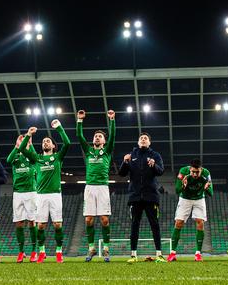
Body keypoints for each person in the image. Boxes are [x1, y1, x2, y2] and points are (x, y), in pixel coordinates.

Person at [19, 120, 71, 263]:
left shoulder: (58, 158)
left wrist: (59, 128)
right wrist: (29, 135)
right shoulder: (37, 159)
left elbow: (67, 143)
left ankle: (59, 251)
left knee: (57, 225)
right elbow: (22, 149)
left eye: (48, 141)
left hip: (55, 194)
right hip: (40, 196)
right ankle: (42, 251)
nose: (45, 143)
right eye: (43, 141)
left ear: (53, 146)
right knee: (40, 225)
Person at [118, 132, 165, 263]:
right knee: (134, 225)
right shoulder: (131, 155)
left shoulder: (155, 155)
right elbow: (121, 173)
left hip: (151, 196)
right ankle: (133, 255)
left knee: (154, 225)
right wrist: (124, 162)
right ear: (138, 142)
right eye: (141, 138)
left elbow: (161, 171)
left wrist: (154, 165)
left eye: (146, 138)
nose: (143, 140)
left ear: (149, 142)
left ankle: (159, 254)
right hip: (135, 196)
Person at [76, 109, 116, 262]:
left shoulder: (107, 151)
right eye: (95, 136)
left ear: (104, 141)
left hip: (103, 187)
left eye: (100, 136)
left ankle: (106, 249)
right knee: (88, 220)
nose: (97, 138)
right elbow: (79, 136)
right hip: (90, 187)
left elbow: (112, 136)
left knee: (104, 220)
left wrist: (112, 120)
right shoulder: (88, 151)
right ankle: (91, 248)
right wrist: (80, 120)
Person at [168, 159, 212, 262]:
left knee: (200, 222)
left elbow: (211, 193)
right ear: (190, 169)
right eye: (193, 172)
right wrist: (183, 185)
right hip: (185, 199)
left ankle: (198, 254)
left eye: (197, 172)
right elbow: (177, 190)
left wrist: (206, 189)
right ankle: (173, 253)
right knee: (179, 223)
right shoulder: (183, 171)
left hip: (199, 199)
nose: (195, 174)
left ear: (201, 169)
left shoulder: (206, 173)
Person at [6, 135, 39, 263]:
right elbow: (8, 160)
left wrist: (30, 144)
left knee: (32, 221)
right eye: (20, 140)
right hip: (18, 192)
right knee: (19, 222)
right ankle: (21, 252)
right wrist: (16, 146)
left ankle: (34, 251)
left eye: (24, 140)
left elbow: (35, 158)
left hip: (31, 191)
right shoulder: (16, 156)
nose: (23, 142)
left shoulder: (30, 155)